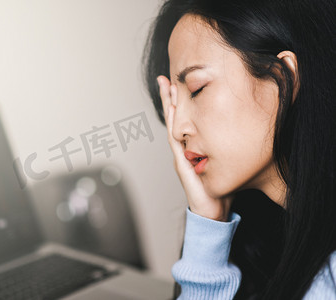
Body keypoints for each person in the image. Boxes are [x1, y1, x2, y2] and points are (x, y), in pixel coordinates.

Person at [142, 0, 336, 299]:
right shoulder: (268, 242)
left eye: (196, 89)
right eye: (173, 104)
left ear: (283, 76)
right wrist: (207, 223)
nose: (178, 128)